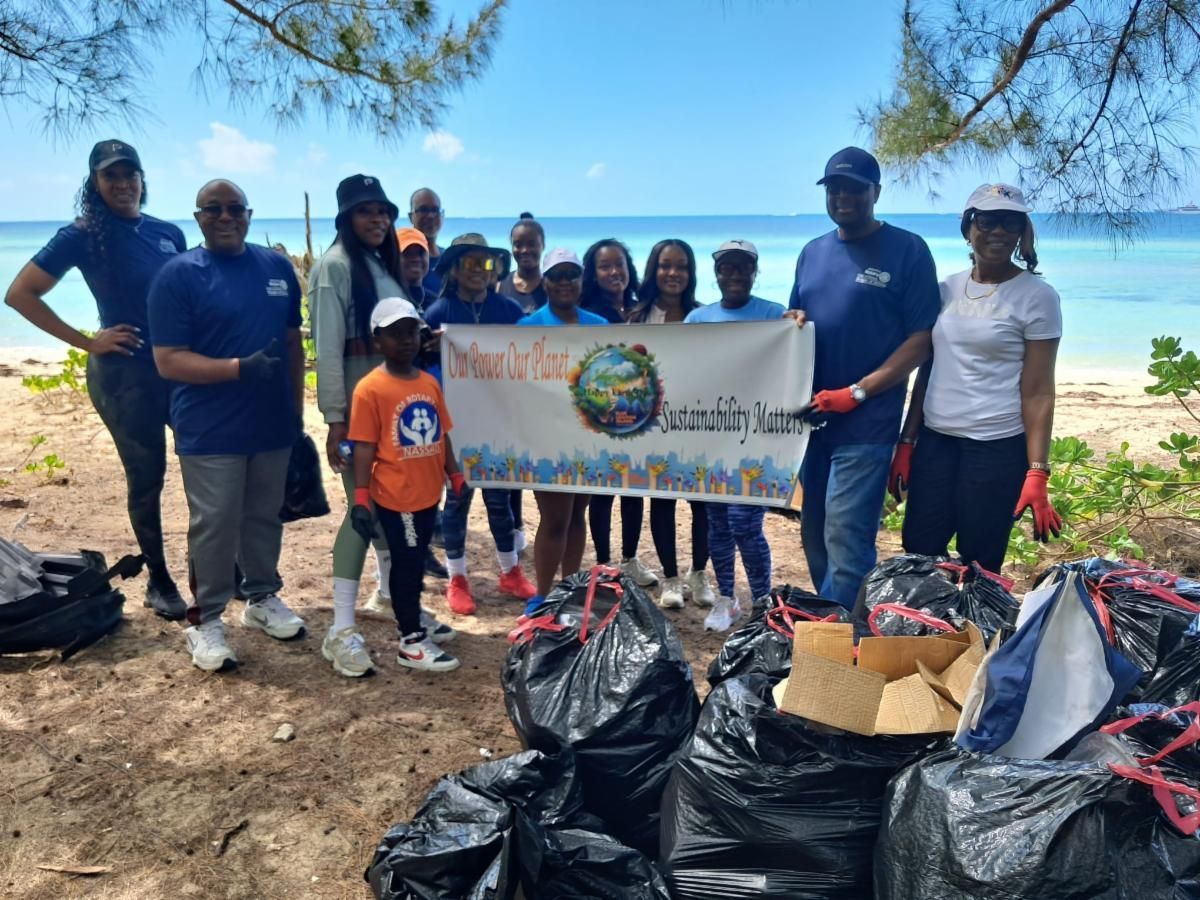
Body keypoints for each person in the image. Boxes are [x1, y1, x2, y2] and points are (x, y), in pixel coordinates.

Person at [4, 139, 188, 619]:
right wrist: (88, 341)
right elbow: (21, 294)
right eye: (111, 176)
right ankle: (160, 580)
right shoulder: (81, 234)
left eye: (131, 175)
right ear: (95, 183)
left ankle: (213, 565)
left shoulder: (168, 232)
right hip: (124, 375)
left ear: (143, 180)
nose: (123, 184)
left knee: (204, 463)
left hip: (177, 368)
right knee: (148, 478)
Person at [148, 179, 307, 671]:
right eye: (212, 209)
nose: (224, 216)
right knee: (214, 524)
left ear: (248, 214)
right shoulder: (177, 276)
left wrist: (296, 411)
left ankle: (261, 599)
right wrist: (237, 368)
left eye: (234, 208)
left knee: (263, 515)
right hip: (209, 427)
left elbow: (293, 344)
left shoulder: (277, 268)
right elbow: (168, 361)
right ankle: (206, 620)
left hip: (271, 423)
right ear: (197, 218)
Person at [309, 175, 452, 678]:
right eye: (365, 211)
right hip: (360, 418)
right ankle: (342, 629)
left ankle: (399, 606)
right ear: (345, 218)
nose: (377, 220)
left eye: (383, 212)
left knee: (396, 514)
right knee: (362, 514)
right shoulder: (334, 268)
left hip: (396, 416)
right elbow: (327, 349)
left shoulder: (378, 265)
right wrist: (334, 419)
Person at [788, 147, 939, 609]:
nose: (843, 196)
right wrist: (788, 321)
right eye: (834, 188)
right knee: (814, 535)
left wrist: (859, 392)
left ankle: (841, 646)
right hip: (811, 424)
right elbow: (798, 322)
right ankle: (835, 624)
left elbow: (921, 339)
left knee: (847, 540)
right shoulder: (812, 253)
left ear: (876, 191)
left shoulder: (907, 249)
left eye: (854, 188)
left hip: (867, 423)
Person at [894, 184, 1063, 572]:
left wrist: (1037, 471)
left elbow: (1038, 392)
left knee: (980, 563)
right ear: (969, 228)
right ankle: (923, 632)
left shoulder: (1038, 297)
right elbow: (928, 369)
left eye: (1010, 222)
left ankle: (974, 634)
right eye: (987, 220)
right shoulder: (945, 290)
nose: (998, 231)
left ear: (1023, 231)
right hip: (936, 443)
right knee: (919, 552)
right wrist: (907, 441)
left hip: (996, 449)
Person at [348, 297, 462, 672]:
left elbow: (441, 434)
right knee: (408, 563)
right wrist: (362, 497)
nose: (405, 340)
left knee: (415, 559)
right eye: (394, 334)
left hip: (429, 493)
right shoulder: (370, 389)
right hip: (398, 497)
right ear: (377, 340)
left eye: (411, 331)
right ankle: (411, 639)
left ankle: (414, 618)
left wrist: (455, 473)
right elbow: (364, 446)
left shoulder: (429, 382)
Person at [424, 234, 536, 614]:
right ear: (454, 270)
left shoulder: (507, 311)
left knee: (500, 501)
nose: (478, 271)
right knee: (456, 501)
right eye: (469, 263)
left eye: (485, 264)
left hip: (498, 421)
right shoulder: (439, 312)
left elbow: (533, 355)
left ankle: (510, 572)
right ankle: (457, 579)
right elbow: (423, 367)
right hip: (456, 425)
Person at [685, 240, 783, 630]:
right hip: (711, 439)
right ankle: (726, 598)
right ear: (717, 273)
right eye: (727, 267)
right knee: (718, 523)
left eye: (743, 267)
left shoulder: (775, 315)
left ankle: (762, 600)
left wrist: (797, 325)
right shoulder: (698, 319)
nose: (735, 274)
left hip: (756, 438)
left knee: (746, 523)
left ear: (754, 271)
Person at [624, 239, 716, 609]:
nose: (673, 273)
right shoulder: (635, 318)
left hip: (698, 425)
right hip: (653, 429)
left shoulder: (705, 317)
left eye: (681, 266)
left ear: (691, 273)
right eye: (665, 265)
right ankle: (672, 579)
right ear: (653, 270)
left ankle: (699, 572)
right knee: (660, 502)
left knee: (703, 504)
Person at [519, 248, 607, 615]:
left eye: (572, 274)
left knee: (576, 516)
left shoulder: (600, 326)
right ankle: (541, 594)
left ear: (582, 281)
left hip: (586, 438)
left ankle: (569, 590)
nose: (565, 282)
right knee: (554, 518)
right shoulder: (529, 328)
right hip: (546, 439)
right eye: (557, 275)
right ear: (545, 282)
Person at [578, 238, 658, 586]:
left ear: (629, 269)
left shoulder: (641, 310)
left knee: (633, 487)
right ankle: (602, 562)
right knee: (602, 489)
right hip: (601, 414)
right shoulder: (590, 315)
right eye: (605, 266)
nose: (613, 272)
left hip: (637, 413)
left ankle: (629, 559)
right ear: (593, 274)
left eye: (619, 265)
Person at [498, 214, 547, 312]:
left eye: (531, 244)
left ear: (543, 246)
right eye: (518, 245)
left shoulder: (551, 287)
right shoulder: (499, 286)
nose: (524, 250)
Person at [408, 188, 445, 296]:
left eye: (435, 210)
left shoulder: (449, 259)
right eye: (423, 210)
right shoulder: (404, 261)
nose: (430, 216)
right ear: (411, 217)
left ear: (442, 215)